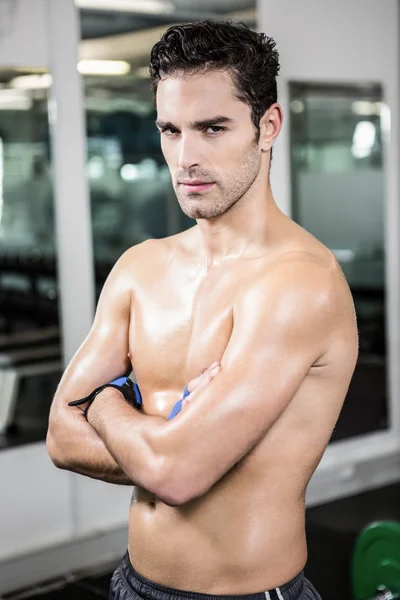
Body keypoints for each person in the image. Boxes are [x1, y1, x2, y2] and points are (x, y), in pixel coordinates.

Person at [46, 20, 358, 600]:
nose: (186, 157)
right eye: (171, 130)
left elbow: (177, 475)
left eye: (213, 128)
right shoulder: (140, 268)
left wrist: (109, 402)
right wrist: (162, 444)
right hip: (131, 584)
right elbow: (61, 436)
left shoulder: (298, 284)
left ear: (267, 127)